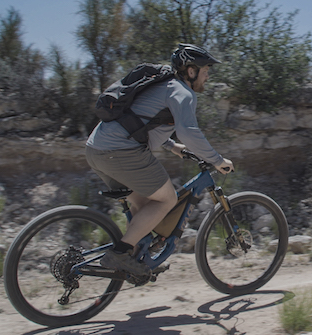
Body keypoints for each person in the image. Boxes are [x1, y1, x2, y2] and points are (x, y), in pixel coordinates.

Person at [85, 43, 234, 276]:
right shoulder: (183, 92)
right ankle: (121, 253)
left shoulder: (162, 86)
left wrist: (172, 146)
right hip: (120, 152)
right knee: (167, 200)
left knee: (145, 205)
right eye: (205, 71)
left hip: (96, 149)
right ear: (191, 71)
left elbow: (139, 121)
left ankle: (138, 260)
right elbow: (189, 132)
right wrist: (216, 160)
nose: (208, 76)